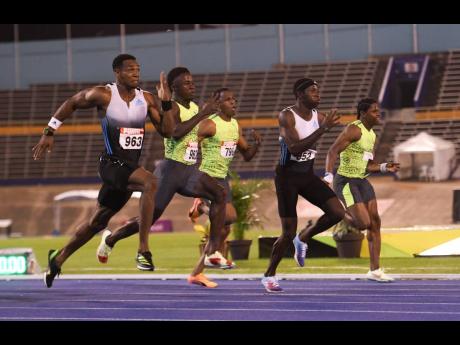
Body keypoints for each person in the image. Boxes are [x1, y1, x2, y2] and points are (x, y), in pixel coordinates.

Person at [32, 54, 174, 287]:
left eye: (138, 69)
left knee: (97, 222)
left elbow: (167, 131)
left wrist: (166, 103)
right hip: (110, 164)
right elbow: (72, 102)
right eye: (130, 70)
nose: (136, 73)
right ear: (117, 72)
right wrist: (49, 131)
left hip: (129, 168)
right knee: (150, 182)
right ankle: (143, 250)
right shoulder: (104, 94)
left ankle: (58, 258)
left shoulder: (146, 99)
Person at [96, 67, 233, 285]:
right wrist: (203, 114)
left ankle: (212, 252)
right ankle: (111, 238)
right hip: (170, 171)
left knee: (219, 194)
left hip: (189, 169)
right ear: (174, 89)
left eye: (192, 81)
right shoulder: (173, 107)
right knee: (148, 219)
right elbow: (175, 133)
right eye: (186, 83)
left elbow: (193, 135)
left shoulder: (196, 107)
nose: (192, 85)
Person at [261, 78, 345, 293]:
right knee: (287, 232)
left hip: (307, 176)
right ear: (299, 95)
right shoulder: (287, 115)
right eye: (312, 91)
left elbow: (341, 138)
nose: (318, 95)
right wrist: (323, 129)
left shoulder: (320, 117)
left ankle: (304, 237)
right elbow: (296, 148)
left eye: (318, 91)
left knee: (337, 212)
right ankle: (269, 275)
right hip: (287, 178)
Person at [186, 87, 262, 287]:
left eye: (234, 99)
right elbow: (188, 142)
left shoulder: (236, 126)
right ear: (218, 104)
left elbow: (246, 155)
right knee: (227, 218)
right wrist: (189, 171)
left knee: (225, 229)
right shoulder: (210, 124)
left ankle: (197, 273)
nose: (233, 102)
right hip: (207, 177)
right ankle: (201, 206)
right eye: (228, 100)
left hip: (222, 178)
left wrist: (256, 144)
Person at [324, 97, 400, 282]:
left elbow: (368, 165)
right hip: (347, 181)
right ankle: (336, 212)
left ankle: (375, 271)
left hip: (362, 181)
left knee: (375, 223)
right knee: (362, 224)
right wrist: (328, 175)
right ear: (363, 113)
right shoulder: (354, 129)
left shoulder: (372, 134)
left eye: (378, 110)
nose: (378, 113)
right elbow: (332, 151)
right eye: (375, 111)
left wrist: (383, 167)